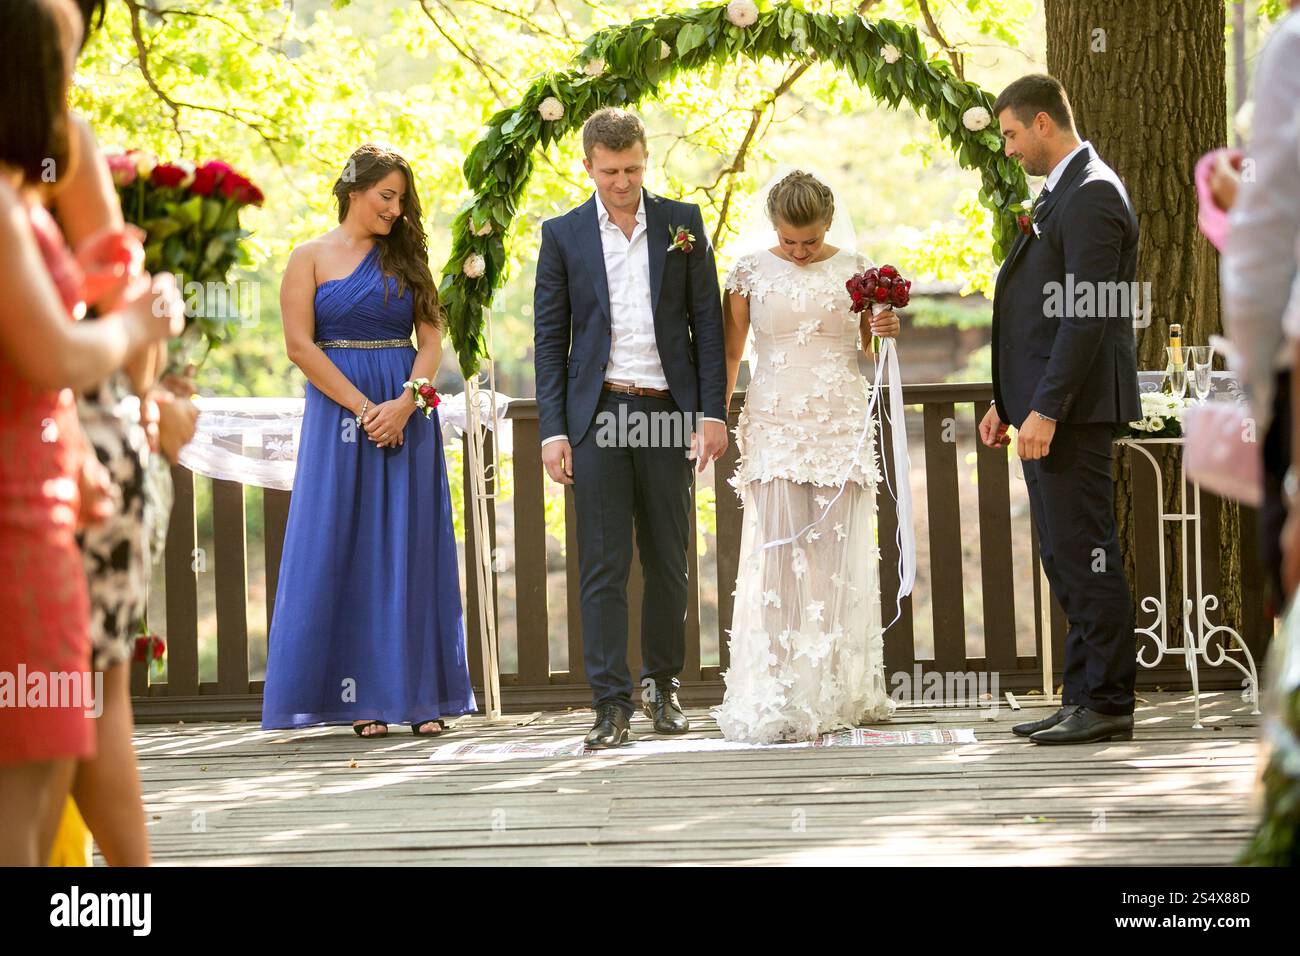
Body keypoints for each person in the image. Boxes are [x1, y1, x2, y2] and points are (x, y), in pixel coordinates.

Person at [0, 0, 181, 865]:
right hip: (54, 464)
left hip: (71, 450)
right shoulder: (52, 146)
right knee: (74, 710)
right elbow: (101, 343)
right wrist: (141, 326)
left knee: (65, 714)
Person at [261, 144, 475, 738]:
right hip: (340, 418)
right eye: (387, 196)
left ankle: (422, 696)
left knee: (410, 544)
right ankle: (364, 700)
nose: (394, 209)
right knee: (346, 542)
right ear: (354, 190)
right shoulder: (306, 257)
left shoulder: (408, 258)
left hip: (408, 413)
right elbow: (299, 346)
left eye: (401, 199)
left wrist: (407, 404)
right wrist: (363, 410)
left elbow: (432, 342)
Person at [533, 108, 728, 748]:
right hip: (599, 415)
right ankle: (610, 702)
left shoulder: (683, 224)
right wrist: (553, 430)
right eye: (611, 171)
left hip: (667, 411)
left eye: (634, 169)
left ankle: (663, 689)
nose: (623, 182)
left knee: (670, 560)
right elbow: (550, 339)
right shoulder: (561, 235)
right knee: (603, 566)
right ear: (587, 165)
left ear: (647, 162)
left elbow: (707, 324)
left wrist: (711, 414)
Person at [712, 170, 901, 743]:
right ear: (773, 226)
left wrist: (886, 326)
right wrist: (715, 418)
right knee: (777, 555)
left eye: (810, 241)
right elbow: (729, 353)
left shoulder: (855, 270)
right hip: (774, 422)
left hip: (839, 421)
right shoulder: (747, 272)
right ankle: (774, 689)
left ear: (827, 225)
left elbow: (870, 348)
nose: (798, 252)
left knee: (835, 554)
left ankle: (838, 689)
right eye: (789, 241)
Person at [982, 74, 1141, 745]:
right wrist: (1006, 399)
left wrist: (1045, 408)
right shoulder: (1064, 194)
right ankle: (1081, 695)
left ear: (1042, 122)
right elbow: (1035, 315)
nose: (1010, 148)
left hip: (1073, 412)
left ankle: (1107, 701)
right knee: (1066, 555)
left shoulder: (1094, 194)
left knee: (1088, 553)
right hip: (1047, 408)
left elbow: (1085, 319)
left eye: (1013, 134)